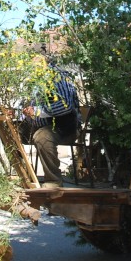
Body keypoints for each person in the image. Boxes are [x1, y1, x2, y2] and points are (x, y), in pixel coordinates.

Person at [20, 59, 81, 188]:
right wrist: (19, 113)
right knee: (9, 130)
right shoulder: (34, 80)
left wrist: (37, 112)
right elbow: (29, 108)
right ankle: (24, 176)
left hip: (66, 127)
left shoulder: (58, 77)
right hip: (40, 126)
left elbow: (66, 106)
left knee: (42, 137)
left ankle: (53, 181)